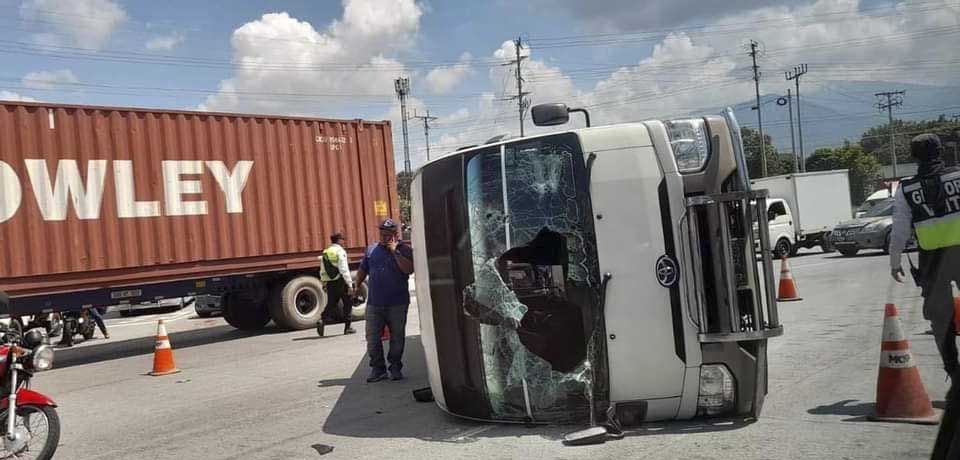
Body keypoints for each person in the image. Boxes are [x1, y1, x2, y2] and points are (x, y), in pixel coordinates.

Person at [890, 133, 960, 377]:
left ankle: (955, 376)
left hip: (932, 262)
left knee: (941, 322)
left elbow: (899, 229)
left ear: (914, 157)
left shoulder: (907, 188)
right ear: (941, 151)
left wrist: (895, 261)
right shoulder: (958, 175)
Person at [354, 218, 414, 382]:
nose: (384, 237)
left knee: (397, 337)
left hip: (397, 303)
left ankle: (395, 367)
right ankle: (378, 369)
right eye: (382, 234)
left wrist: (395, 251)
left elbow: (408, 270)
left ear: (395, 235)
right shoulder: (372, 250)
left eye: (388, 234)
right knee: (372, 338)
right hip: (375, 303)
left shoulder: (405, 250)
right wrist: (356, 285)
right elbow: (362, 269)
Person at [319, 232, 356, 335]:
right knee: (348, 303)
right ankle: (348, 327)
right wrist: (349, 284)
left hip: (330, 282)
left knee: (331, 303)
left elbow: (322, 269)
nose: (344, 242)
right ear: (339, 240)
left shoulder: (326, 252)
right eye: (343, 239)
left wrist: (324, 283)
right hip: (341, 281)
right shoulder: (340, 251)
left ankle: (322, 320)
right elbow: (344, 269)